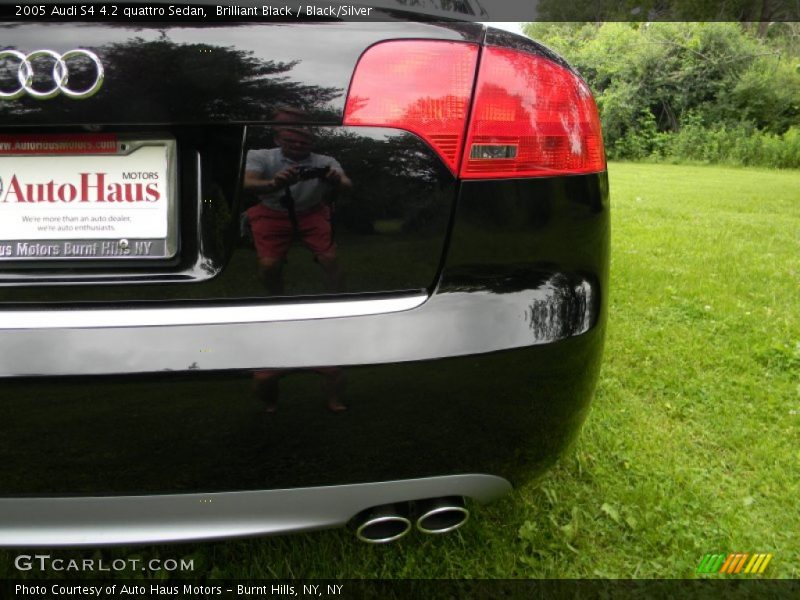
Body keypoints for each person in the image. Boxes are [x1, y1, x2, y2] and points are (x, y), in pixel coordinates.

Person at [243, 126, 351, 294]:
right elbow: (247, 184)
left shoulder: (324, 161)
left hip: (312, 211)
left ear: (312, 143)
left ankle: (341, 301)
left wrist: (335, 180)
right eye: (290, 141)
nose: (298, 145)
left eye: (304, 142)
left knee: (329, 259)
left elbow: (347, 184)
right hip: (271, 211)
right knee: (269, 266)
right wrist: (274, 183)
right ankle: (278, 302)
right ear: (277, 140)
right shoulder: (260, 155)